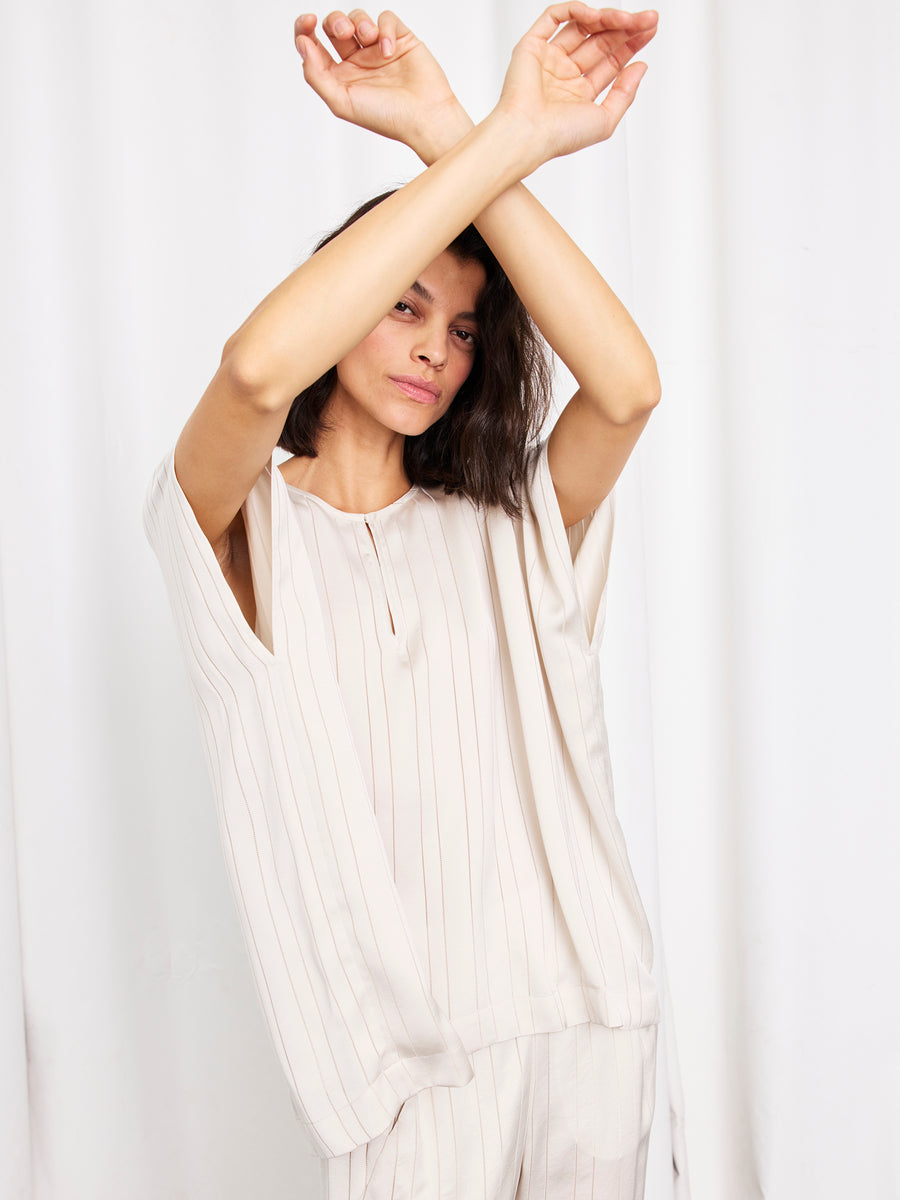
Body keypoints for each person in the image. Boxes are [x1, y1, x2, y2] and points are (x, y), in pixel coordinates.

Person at [145, 5, 662, 1197]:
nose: (438, 348)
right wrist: (489, 146)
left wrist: (455, 131)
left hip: (585, 1024)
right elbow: (258, 369)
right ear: (342, 305)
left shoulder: (507, 524)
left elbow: (627, 389)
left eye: (468, 327)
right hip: (400, 1072)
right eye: (404, 305)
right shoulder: (241, 526)